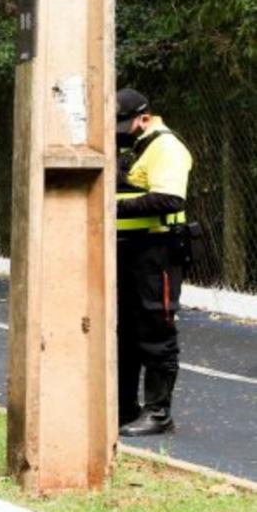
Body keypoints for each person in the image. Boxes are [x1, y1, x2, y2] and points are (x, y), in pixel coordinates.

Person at [116, 88, 194, 437]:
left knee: (156, 329)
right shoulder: (135, 147)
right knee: (127, 333)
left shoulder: (167, 147)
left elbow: (169, 198)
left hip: (158, 253)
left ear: (144, 118)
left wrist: (111, 203)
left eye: (123, 124)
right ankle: (125, 407)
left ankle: (159, 413)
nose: (119, 131)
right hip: (129, 251)